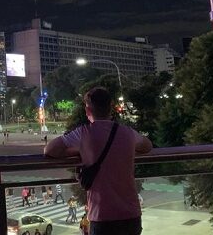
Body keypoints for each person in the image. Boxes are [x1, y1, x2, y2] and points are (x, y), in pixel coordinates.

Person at [45, 87, 153, 235]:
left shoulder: (84, 133)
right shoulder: (127, 132)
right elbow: (147, 146)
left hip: (103, 216)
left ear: (88, 109)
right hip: (131, 214)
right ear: (111, 107)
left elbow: (50, 150)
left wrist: (80, 150)